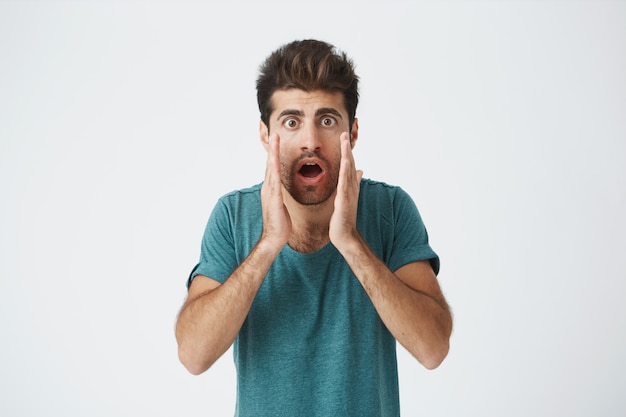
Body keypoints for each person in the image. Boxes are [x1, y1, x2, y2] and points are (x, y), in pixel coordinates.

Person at [175, 39, 453, 416]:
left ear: (352, 133)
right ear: (264, 134)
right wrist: (269, 244)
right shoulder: (232, 215)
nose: (310, 142)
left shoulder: (390, 209)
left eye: (327, 121)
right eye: (291, 122)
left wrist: (351, 243)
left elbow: (433, 348)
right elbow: (193, 355)